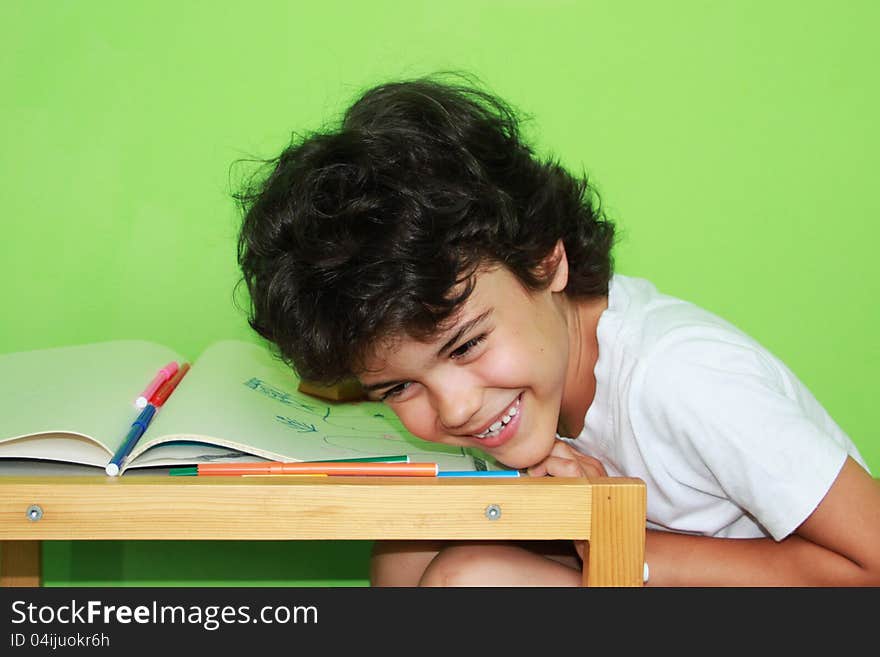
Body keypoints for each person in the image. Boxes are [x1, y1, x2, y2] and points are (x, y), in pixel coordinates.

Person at [235, 74, 880, 586]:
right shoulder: (532, 368)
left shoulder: (681, 377)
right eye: (397, 387)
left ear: (547, 258)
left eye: (466, 344)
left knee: (471, 582)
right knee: (407, 547)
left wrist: (612, 544)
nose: (455, 407)